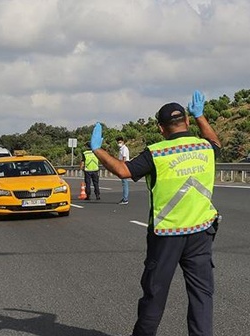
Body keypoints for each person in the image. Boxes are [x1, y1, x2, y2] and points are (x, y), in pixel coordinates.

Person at [90, 90, 220, 336]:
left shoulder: (157, 153)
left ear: (161, 128)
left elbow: (122, 170)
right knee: (202, 295)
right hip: (201, 232)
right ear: (187, 121)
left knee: (155, 294)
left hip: (166, 235)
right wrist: (202, 116)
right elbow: (215, 142)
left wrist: (98, 150)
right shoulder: (204, 147)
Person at [116, 136, 130, 205]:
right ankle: (125, 198)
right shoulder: (121, 149)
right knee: (124, 183)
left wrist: (122, 167)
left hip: (124, 166)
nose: (119, 143)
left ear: (123, 142)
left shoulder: (124, 149)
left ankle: (125, 199)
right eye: (118, 142)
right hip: (123, 166)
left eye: (120, 142)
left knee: (125, 183)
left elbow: (124, 158)